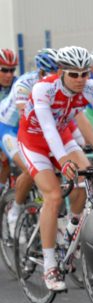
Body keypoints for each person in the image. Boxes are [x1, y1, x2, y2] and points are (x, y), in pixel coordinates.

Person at [17, 46, 93, 291]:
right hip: (34, 140)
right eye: (73, 75)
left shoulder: (91, 87)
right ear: (60, 72)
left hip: (62, 136)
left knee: (87, 177)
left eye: (84, 74)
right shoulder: (43, 89)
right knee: (54, 195)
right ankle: (49, 265)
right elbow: (47, 128)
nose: (80, 80)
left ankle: (70, 231)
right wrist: (64, 160)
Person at [1, 48, 59, 237]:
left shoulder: (55, 84)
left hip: (27, 128)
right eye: (4, 70)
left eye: (11, 70)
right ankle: (15, 210)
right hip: (7, 128)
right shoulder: (24, 83)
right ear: (40, 72)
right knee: (30, 167)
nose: (9, 75)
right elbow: (22, 113)